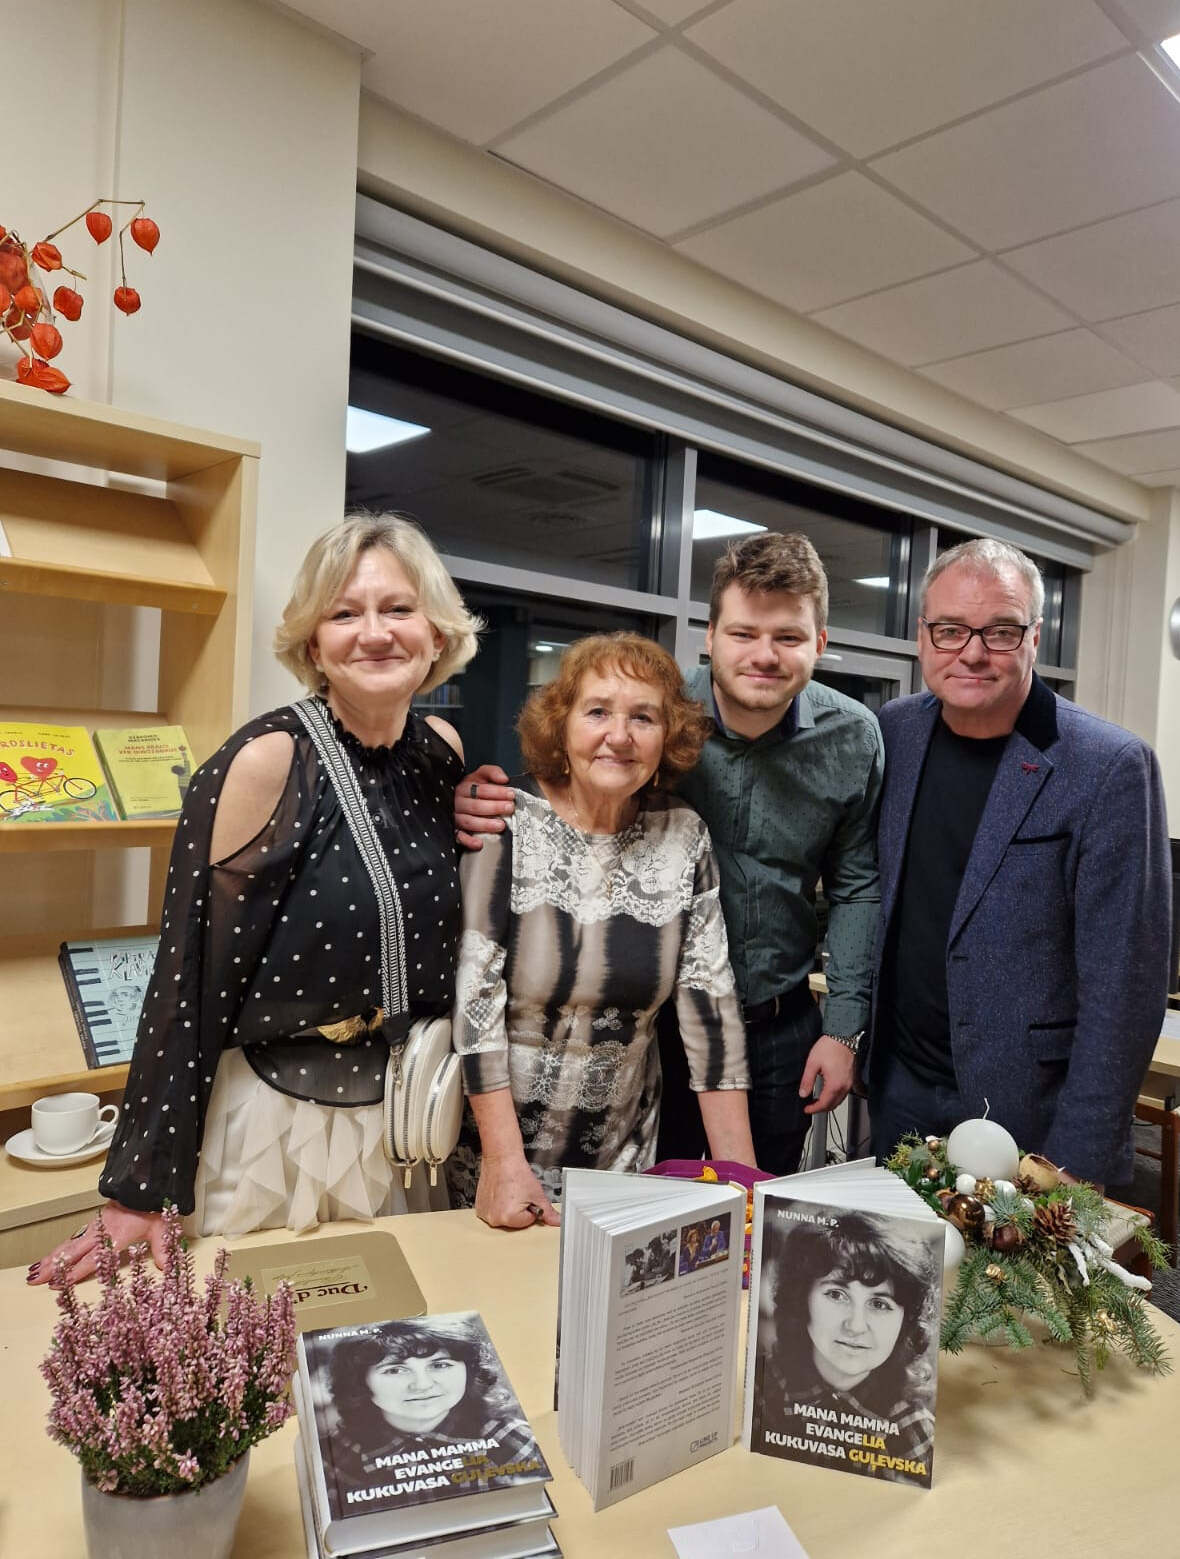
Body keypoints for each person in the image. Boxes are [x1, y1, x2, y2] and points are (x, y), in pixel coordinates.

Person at [30, 514, 481, 1287]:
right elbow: (185, 982)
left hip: (404, 1123)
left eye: (398, 609)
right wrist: (142, 1187)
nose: (374, 633)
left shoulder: (442, 754)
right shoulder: (263, 763)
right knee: (264, 1380)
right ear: (314, 645)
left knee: (389, 1356)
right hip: (274, 1130)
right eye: (344, 614)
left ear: (438, 634)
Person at [456, 533, 883, 1176]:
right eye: (743, 634)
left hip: (775, 1022)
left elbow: (857, 887)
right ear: (709, 637)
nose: (764, 655)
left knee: (753, 1213)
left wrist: (843, 1027)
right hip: (646, 1033)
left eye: (789, 637)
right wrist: (476, 797)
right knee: (661, 1210)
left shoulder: (852, 738)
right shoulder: (653, 707)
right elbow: (566, 783)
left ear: (820, 642)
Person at [867, 537, 1172, 1186]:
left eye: (1000, 631)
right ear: (923, 635)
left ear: (1035, 637)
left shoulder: (1108, 767)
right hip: (900, 1088)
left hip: (1030, 1112)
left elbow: (1127, 989)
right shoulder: (896, 731)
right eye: (949, 630)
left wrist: (1074, 1159)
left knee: (1016, 1290)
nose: (972, 652)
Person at [447, 633, 756, 1227]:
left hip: (622, 1162)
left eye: (643, 717)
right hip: (491, 1158)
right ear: (562, 726)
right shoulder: (505, 824)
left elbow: (710, 1012)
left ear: (667, 737)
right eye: (597, 712)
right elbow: (474, 1004)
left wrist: (744, 1186)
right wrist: (502, 1162)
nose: (619, 735)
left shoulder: (683, 835)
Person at [751, 1214, 940, 1482]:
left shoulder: (914, 1431)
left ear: (905, 1322)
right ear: (802, 1299)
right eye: (837, 1294)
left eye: (879, 1304)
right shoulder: (761, 1386)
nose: (855, 1326)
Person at [322, 1317, 541, 1484]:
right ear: (359, 1382)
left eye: (440, 1365)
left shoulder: (513, 1438)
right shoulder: (338, 1455)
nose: (423, 1385)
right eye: (395, 1369)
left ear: (470, 1372)